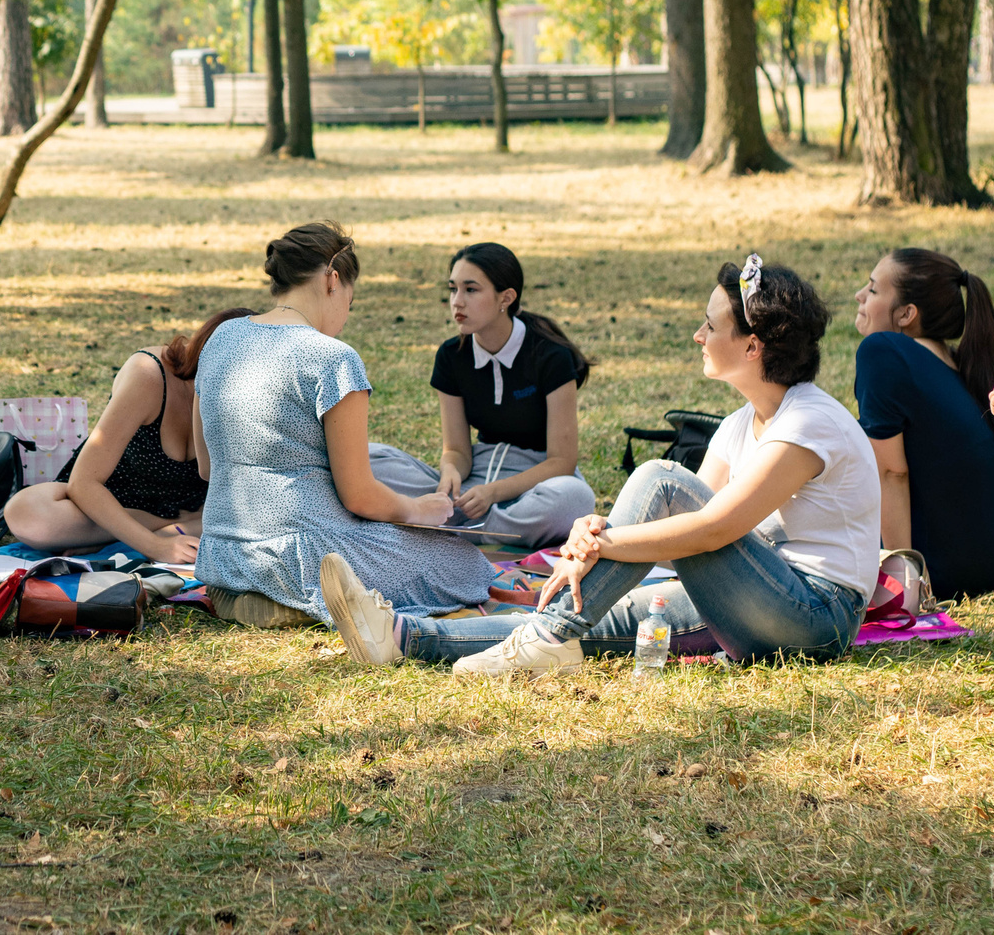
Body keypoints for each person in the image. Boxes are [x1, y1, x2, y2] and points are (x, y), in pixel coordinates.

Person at [322, 256, 879, 675]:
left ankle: (546, 636)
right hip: (755, 599)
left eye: (710, 326)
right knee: (593, 614)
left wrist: (602, 543)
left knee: (660, 478)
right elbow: (678, 537)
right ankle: (403, 636)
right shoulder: (740, 424)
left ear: (753, 347)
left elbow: (713, 527)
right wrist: (601, 533)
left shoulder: (809, 423)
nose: (698, 335)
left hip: (816, 616)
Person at [194, 222, 498, 627]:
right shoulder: (332, 358)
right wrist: (418, 510)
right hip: (301, 555)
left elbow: (206, 466)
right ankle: (297, 599)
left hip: (222, 553)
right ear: (333, 281)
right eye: (349, 305)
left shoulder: (221, 337)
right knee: (464, 564)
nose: (344, 319)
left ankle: (255, 595)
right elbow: (359, 496)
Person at [367, 243, 597, 548]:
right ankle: (461, 522)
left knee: (575, 498)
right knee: (369, 458)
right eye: (453, 289)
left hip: (535, 486)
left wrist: (493, 493)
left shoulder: (551, 356)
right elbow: (457, 450)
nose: (457, 301)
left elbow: (562, 462)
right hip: (473, 485)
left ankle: (444, 524)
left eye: (471, 290)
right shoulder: (451, 356)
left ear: (506, 298)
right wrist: (450, 472)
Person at [1, 308, 253, 563]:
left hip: (195, 511)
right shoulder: (149, 373)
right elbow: (84, 483)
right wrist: (156, 545)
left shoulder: (254, 397)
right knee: (26, 514)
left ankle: (111, 537)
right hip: (108, 502)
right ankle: (137, 532)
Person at [850, 248, 994, 599]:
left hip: (940, 573)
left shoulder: (884, 351)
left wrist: (904, 583)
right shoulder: (961, 366)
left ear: (907, 314)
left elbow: (892, 473)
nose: (860, 296)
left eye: (873, 289)